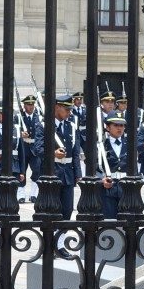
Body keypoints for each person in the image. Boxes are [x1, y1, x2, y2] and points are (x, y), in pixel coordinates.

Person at [40, 96, 82, 224]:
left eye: (70, 109)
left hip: (68, 173)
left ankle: (61, 240)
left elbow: (75, 153)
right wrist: (53, 154)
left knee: (67, 209)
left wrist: (78, 174)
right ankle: (50, 238)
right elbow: (37, 148)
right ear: (57, 107)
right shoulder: (44, 125)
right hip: (51, 172)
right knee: (51, 208)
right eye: (66, 109)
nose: (69, 112)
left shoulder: (72, 127)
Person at [98, 112, 129, 218]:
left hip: (125, 187)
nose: (119, 128)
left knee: (126, 220)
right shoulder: (101, 145)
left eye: (122, 125)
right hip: (108, 187)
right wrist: (101, 179)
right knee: (109, 220)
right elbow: (95, 166)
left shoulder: (129, 144)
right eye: (115, 125)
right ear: (108, 127)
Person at [18, 94, 42, 203]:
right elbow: (12, 130)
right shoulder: (18, 117)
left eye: (32, 104)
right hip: (23, 147)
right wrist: (20, 133)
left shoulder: (39, 117)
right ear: (24, 105)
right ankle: (21, 194)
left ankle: (33, 194)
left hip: (35, 148)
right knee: (21, 170)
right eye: (28, 104)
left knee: (37, 170)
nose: (31, 107)